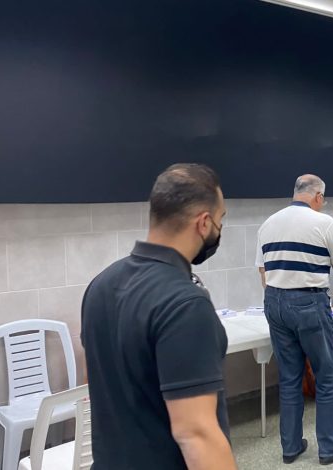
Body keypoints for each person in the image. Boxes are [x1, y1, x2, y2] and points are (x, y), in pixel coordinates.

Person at [81, 164, 236, 470]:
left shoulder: (100, 285)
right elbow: (197, 434)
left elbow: (97, 380)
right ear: (204, 223)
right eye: (221, 219)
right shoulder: (185, 304)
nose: (219, 228)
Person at [256, 174, 333, 465]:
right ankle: (329, 448)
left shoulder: (268, 223)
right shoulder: (324, 222)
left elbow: (262, 271)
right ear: (318, 196)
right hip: (309, 302)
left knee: (289, 377)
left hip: (274, 301)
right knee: (326, 376)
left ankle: (290, 447)